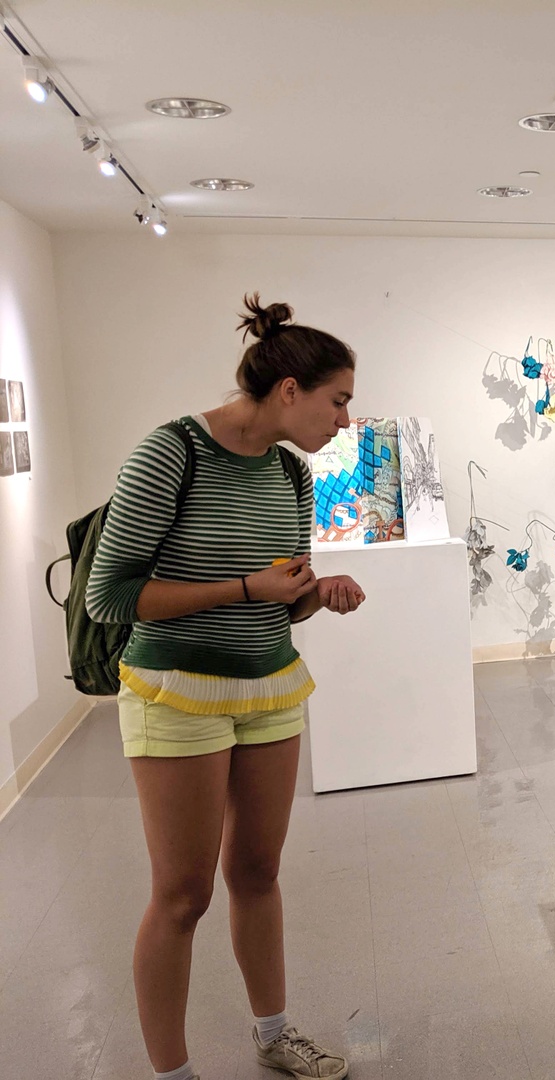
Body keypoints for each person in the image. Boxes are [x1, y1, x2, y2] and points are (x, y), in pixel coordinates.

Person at [86, 295, 366, 1080]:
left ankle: (274, 1034)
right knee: (183, 895)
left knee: (258, 873)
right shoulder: (170, 452)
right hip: (175, 692)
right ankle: (171, 1073)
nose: (344, 419)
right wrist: (243, 587)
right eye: (338, 399)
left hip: (269, 689)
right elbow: (109, 598)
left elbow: (286, 593)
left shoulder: (290, 471)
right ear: (288, 391)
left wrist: (319, 592)